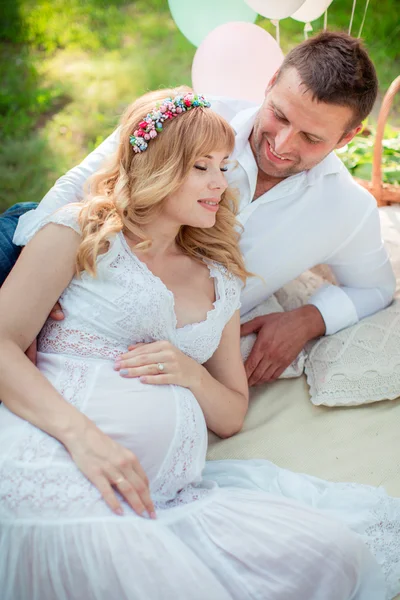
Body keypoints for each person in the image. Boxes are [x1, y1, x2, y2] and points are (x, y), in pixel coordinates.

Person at [0, 88, 392, 600]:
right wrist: (85, 439)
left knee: (338, 554)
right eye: (202, 168)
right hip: (59, 455)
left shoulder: (219, 275)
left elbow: (231, 415)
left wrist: (190, 371)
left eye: (224, 166)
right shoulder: (83, 231)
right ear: (161, 168)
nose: (221, 183)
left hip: (167, 497)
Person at [1, 31, 396, 386]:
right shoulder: (195, 117)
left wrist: (307, 320)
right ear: (271, 82)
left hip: (129, 338)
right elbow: (77, 184)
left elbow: (375, 288)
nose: (283, 144)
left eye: (311, 137)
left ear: (348, 137)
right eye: (279, 115)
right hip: (61, 250)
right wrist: (33, 276)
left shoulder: (347, 208)